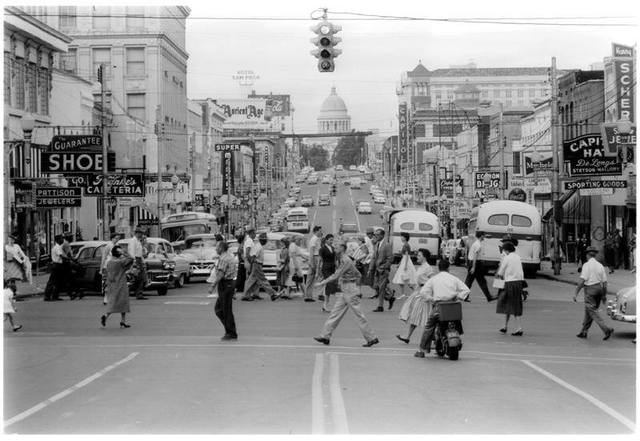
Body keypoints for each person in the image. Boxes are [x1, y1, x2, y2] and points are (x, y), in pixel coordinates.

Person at [314, 242, 379, 347]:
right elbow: (357, 274)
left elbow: (336, 275)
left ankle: (372, 337)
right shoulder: (343, 259)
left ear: (342, 249)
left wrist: (321, 283)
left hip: (350, 290)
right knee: (335, 313)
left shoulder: (346, 260)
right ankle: (325, 336)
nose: (335, 247)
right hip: (346, 289)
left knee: (358, 314)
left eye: (337, 246)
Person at [414, 259, 469, 358]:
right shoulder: (453, 278)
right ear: (448, 268)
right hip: (453, 307)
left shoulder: (434, 279)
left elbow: (423, 292)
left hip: (439, 307)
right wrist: (459, 296)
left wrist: (431, 299)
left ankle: (422, 350)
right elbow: (466, 290)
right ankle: (457, 335)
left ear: (438, 268)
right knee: (456, 321)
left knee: (429, 327)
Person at [574, 246, 614, 340]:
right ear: (595, 255)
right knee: (589, 311)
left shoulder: (586, 265)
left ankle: (606, 329)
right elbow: (604, 283)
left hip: (590, 290)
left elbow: (582, 281)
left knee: (592, 312)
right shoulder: (600, 266)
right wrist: (604, 295)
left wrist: (576, 293)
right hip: (599, 290)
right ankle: (584, 331)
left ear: (587, 255)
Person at [396, 248, 435, 344]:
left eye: (419, 255)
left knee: (423, 316)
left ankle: (432, 338)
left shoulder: (428, 268)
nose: (417, 257)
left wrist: (427, 290)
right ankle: (408, 336)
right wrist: (413, 286)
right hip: (419, 292)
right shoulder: (421, 267)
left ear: (424, 257)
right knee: (416, 315)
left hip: (424, 294)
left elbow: (433, 281)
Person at [208, 240, 238, 340]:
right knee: (220, 309)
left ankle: (231, 333)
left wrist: (212, 286)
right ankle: (229, 330)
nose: (216, 249)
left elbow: (220, 274)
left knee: (224, 310)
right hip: (229, 284)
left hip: (226, 284)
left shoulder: (224, 258)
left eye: (217, 247)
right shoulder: (228, 256)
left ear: (221, 248)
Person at [495, 241, 526, 336]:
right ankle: (505, 326)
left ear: (507, 250)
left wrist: (498, 275)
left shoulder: (507, 258)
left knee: (508, 304)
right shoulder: (518, 257)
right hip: (519, 283)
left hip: (509, 283)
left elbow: (500, 273)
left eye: (504, 250)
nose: (503, 252)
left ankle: (519, 328)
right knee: (510, 304)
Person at [101, 245, 135, 328]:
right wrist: (125, 252)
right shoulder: (120, 262)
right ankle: (114, 318)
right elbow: (131, 259)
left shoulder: (109, 262)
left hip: (112, 283)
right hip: (121, 283)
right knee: (123, 301)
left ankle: (121, 320)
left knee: (113, 301)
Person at [243, 232, 279, 301]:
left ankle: (246, 295)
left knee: (251, 281)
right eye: (265, 240)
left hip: (256, 265)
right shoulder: (258, 247)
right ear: (263, 240)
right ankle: (273, 294)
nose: (266, 241)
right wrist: (252, 266)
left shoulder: (259, 246)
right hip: (257, 265)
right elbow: (253, 257)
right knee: (263, 280)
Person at [464, 231, 496, 302]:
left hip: (472, 262)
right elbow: (475, 256)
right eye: (484, 235)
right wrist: (473, 267)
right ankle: (489, 297)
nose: (484, 237)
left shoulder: (475, 243)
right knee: (481, 281)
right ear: (481, 236)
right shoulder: (478, 244)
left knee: (469, 281)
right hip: (476, 264)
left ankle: (464, 296)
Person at [369, 228, 394, 312]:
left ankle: (380, 306)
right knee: (375, 286)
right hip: (376, 270)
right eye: (375, 235)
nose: (376, 236)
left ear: (382, 235)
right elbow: (373, 258)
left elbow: (390, 258)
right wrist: (370, 269)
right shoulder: (376, 244)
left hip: (383, 270)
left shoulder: (386, 245)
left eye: (377, 235)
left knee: (381, 288)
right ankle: (390, 297)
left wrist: (385, 266)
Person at [391, 232, 417, 300]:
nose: (401, 238)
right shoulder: (405, 245)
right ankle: (403, 294)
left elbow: (407, 255)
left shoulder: (406, 245)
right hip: (404, 261)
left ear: (405, 238)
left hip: (406, 262)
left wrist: (405, 265)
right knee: (402, 279)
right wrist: (399, 264)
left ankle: (416, 292)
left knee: (407, 279)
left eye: (402, 236)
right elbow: (404, 256)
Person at [44, 235, 68, 302]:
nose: (62, 240)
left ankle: (55, 295)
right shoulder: (57, 247)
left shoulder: (59, 247)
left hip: (58, 265)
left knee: (58, 281)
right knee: (52, 281)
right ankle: (47, 296)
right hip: (57, 265)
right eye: (61, 239)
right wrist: (67, 258)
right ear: (58, 240)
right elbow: (61, 255)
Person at [318, 233, 337, 313]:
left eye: (332, 240)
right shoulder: (322, 249)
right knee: (328, 284)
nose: (331, 241)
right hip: (325, 268)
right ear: (326, 240)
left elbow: (335, 259)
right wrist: (317, 271)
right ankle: (325, 305)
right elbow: (320, 260)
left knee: (329, 286)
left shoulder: (333, 248)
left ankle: (325, 305)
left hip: (332, 268)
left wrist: (337, 267)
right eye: (330, 240)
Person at [304, 226, 323, 303]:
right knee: (314, 277)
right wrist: (311, 262)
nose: (321, 232)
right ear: (316, 231)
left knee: (311, 278)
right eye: (320, 231)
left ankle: (309, 295)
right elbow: (311, 251)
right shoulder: (314, 239)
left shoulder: (316, 239)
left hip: (316, 258)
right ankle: (312, 295)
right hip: (315, 258)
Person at [101, 233, 121, 305]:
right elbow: (104, 257)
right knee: (108, 282)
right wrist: (101, 268)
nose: (117, 239)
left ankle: (113, 298)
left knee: (115, 282)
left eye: (118, 238)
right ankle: (106, 297)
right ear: (112, 238)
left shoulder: (117, 245)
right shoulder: (108, 246)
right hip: (108, 265)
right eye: (116, 238)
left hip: (115, 265)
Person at [130, 227, 149, 300]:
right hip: (136, 259)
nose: (142, 235)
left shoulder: (138, 241)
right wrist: (134, 262)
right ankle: (138, 293)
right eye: (141, 233)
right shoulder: (133, 241)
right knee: (138, 277)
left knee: (141, 278)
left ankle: (139, 293)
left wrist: (142, 260)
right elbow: (132, 252)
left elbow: (141, 253)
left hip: (139, 259)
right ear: (137, 233)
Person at [234, 230, 247, 295]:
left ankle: (239, 287)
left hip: (241, 262)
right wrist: (245, 261)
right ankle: (239, 287)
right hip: (242, 262)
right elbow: (242, 255)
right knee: (242, 276)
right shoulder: (242, 246)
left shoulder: (240, 245)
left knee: (241, 276)